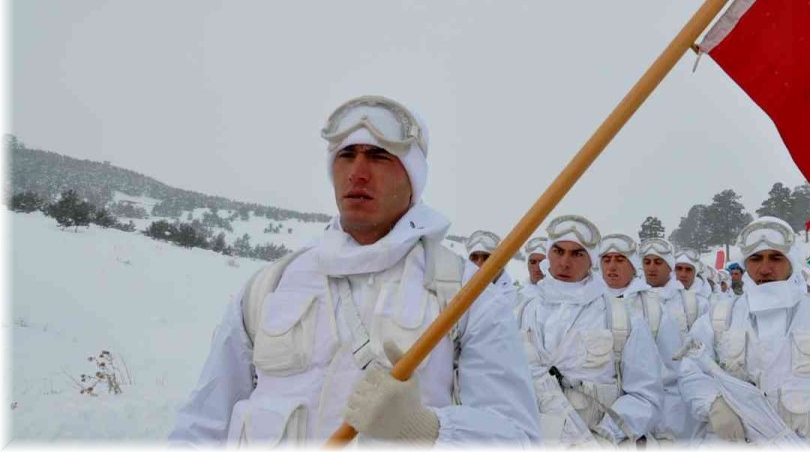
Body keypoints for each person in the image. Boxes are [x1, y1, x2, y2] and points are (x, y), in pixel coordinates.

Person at [168, 95, 540, 445]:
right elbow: (202, 424)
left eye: (379, 156)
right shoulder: (271, 285)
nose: (357, 173)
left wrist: (426, 432)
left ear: (413, 179)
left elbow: (519, 436)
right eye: (346, 155)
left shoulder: (464, 294)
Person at [677, 217, 810, 445]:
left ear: (792, 261)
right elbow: (690, 369)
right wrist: (712, 402)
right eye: (755, 258)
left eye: (776, 257)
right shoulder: (719, 317)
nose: (765, 268)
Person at [518, 216, 662, 445]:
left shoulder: (622, 318)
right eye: (558, 251)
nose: (565, 262)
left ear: (592, 261)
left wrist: (606, 435)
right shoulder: (520, 313)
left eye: (577, 254)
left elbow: (645, 395)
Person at [597, 233, 696, 442]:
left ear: (633, 266)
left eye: (620, 259)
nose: (612, 266)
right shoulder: (590, 307)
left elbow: (671, 375)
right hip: (596, 423)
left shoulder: (654, 310)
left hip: (645, 427)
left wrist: (667, 431)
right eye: (606, 260)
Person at [641, 238, 708, 333]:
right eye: (647, 262)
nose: (651, 268)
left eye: (658, 262)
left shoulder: (697, 304)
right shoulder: (631, 300)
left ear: (670, 266)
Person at [466, 229, 517, 304]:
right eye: (474, 258)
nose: (479, 264)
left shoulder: (513, 300)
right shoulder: (457, 292)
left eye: (486, 258)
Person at [519, 236, 548, 302]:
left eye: (542, 263)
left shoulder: (560, 297)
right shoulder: (516, 296)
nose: (537, 269)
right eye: (533, 262)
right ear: (527, 264)